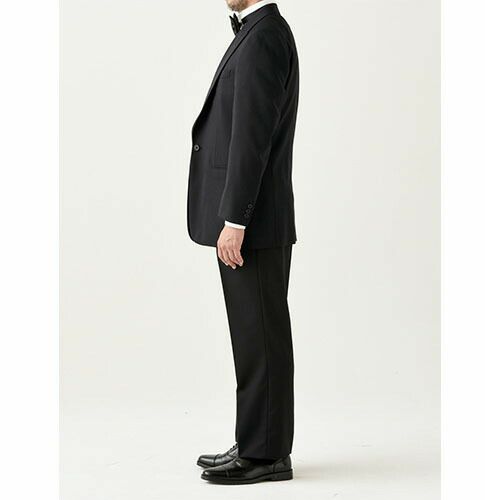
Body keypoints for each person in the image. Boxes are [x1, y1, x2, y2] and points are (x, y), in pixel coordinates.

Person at [187, 0, 300, 485]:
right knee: (254, 338)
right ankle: (257, 441)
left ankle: (266, 455)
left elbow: (252, 136)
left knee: (261, 339)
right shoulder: (258, 33)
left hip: (252, 223)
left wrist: (236, 219)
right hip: (253, 220)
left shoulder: (265, 36)